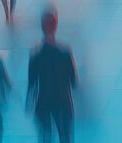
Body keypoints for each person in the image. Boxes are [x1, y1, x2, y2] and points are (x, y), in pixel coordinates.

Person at [27, 8, 78, 143]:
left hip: (44, 101)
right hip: (63, 101)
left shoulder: (35, 54)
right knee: (65, 135)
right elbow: (73, 81)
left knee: (45, 136)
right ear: (56, 26)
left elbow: (32, 82)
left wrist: (28, 102)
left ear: (41, 27)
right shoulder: (65, 51)